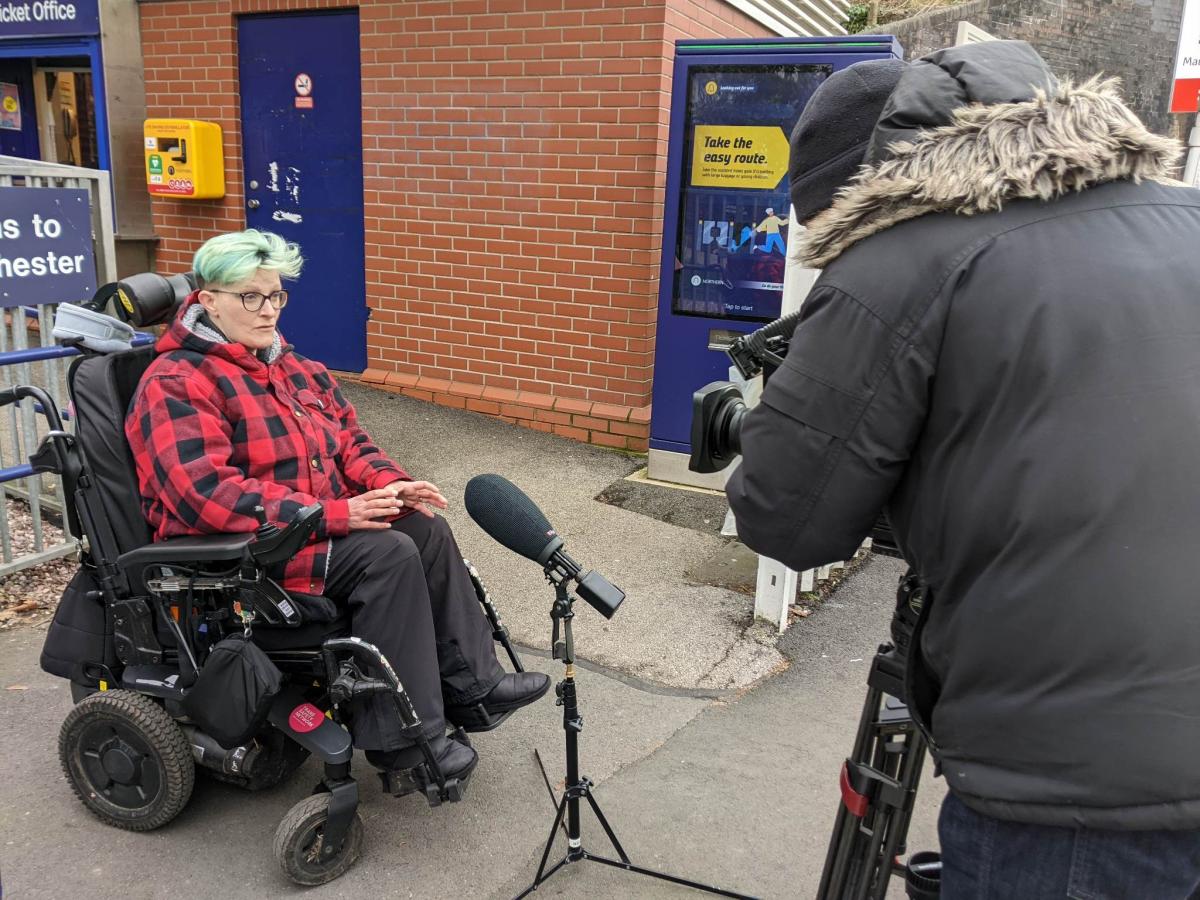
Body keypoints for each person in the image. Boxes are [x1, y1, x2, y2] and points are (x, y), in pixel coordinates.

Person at [727, 43, 1200, 897]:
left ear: (864, 186)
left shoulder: (903, 259)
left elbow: (785, 518)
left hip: (1070, 784)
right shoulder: (1188, 214)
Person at [126, 228, 550, 785]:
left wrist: (395, 485)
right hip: (241, 555)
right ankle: (407, 745)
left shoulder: (293, 367)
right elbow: (203, 492)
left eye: (275, 295)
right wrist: (330, 516)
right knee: (388, 555)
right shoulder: (177, 380)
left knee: (423, 527)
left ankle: (474, 687)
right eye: (249, 297)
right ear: (208, 302)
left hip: (307, 532)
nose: (267, 309)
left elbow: (351, 443)